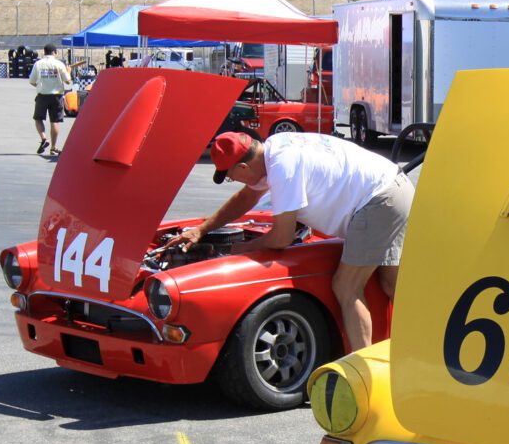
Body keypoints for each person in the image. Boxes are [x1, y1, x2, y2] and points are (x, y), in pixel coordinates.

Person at [165, 131, 414, 350]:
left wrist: (239, 249)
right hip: (392, 187)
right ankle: (425, 351)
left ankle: (364, 376)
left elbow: (282, 238)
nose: (234, 181)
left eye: (230, 177)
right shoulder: (274, 148)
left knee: (346, 286)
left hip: (380, 199)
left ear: (243, 169)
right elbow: (245, 199)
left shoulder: (282, 169)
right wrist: (202, 229)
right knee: (392, 285)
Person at [27, 43, 72, 155]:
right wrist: (69, 72)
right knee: (55, 121)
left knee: (38, 119)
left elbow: (32, 81)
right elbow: (67, 81)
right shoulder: (59, 64)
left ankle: (43, 138)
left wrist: (40, 85)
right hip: (56, 95)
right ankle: (53, 147)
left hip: (42, 95)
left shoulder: (38, 64)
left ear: (44, 52)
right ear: (54, 52)